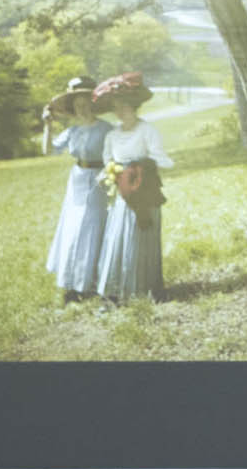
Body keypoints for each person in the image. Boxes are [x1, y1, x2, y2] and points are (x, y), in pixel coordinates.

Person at [92, 72, 172, 304]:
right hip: (123, 192)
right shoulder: (112, 135)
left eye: (124, 106)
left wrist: (141, 168)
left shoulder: (147, 130)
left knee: (140, 234)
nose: (120, 111)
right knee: (120, 235)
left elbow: (160, 158)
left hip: (144, 188)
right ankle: (119, 290)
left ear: (134, 106)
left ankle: (144, 288)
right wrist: (111, 173)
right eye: (116, 107)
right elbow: (108, 161)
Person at [41, 82, 112, 305]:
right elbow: (48, 150)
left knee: (91, 227)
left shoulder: (106, 129)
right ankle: (71, 284)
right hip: (77, 180)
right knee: (72, 228)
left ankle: (90, 284)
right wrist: (48, 126)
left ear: (94, 105)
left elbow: (115, 156)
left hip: (99, 179)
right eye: (77, 105)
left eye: (85, 104)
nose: (82, 109)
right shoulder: (72, 131)